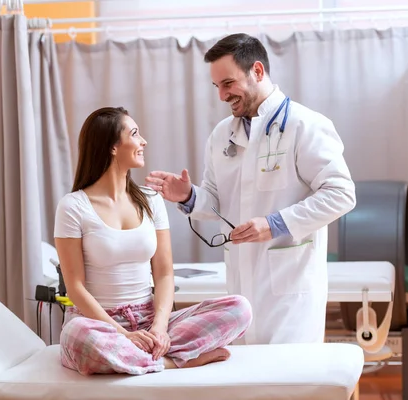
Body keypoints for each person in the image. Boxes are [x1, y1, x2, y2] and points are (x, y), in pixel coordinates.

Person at [145, 33, 356, 346]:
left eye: (227, 83)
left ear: (257, 71)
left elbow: (341, 194)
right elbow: (216, 202)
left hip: (290, 291)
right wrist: (189, 196)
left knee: (290, 387)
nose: (221, 96)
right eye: (216, 86)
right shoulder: (221, 136)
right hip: (240, 291)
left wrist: (274, 224)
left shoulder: (304, 125)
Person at [53, 106, 252, 376]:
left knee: (239, 308)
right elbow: (75, 287)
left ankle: (137, 358)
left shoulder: (151, 200)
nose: (143, 141)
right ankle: (173, 361)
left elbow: (164, 273)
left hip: (149, 319)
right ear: (112, 147)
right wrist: (123, 334)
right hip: (98, 324)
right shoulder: (73, 206)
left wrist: (159, 327)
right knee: (77, 336)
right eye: (134, 134)